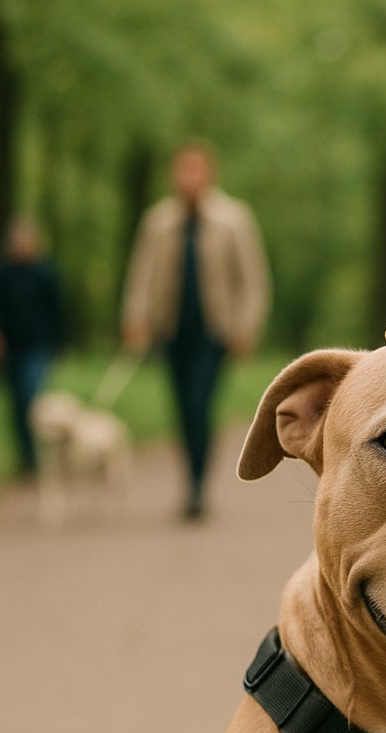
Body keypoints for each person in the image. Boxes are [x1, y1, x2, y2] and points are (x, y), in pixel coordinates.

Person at [121, 140, 270, 520]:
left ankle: (197, 487)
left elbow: (252, 278)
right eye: (182, 171)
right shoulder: (158, 221)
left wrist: (246, 326)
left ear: (208, 174)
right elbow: (142, 273)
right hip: (171, 331)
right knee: (181, 409)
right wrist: (135, 316)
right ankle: (191, 478)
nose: (188, 179)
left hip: (213, 332)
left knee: (199, 404)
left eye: (195, 170)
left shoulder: (233, 218)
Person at [0, 213, 62, 478]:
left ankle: (41, 455)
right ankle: (27, 458)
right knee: (15, 404)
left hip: (38, 346)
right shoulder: (1, 275)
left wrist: (57, 345)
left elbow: (57, 312)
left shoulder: (45, 274)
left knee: (31, 400)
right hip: (11, 348)